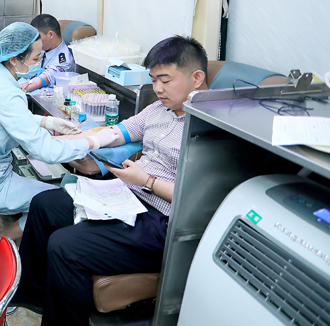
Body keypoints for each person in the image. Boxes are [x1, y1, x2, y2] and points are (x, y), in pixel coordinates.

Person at [12, 36, 209, 325]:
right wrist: (72, 141)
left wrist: (147, 180)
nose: (158, 89)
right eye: (154, 80)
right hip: (128, 197)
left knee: (65, 245)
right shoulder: (159, 110)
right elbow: (118, 132)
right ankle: (33, 295)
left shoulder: (210, 130)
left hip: (161, 221)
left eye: (165, 80)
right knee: (44, 204)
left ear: (197, 78)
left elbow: (197, 200)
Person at [0, 22, 118, 256]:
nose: (38, 63)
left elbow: (4, 117)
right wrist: (94, 141)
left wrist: (47, 122)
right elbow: (46, 151)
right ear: (14, 59)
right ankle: (2, 239)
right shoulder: (6, 93)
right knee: (54, 202)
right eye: (35, 59)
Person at [20, 14, 76, 92]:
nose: (34, 41)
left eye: (37, 37)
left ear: (50, 35)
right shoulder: (44, 48)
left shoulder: (64, 61)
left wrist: (17, 89)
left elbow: (43, 79)